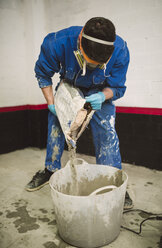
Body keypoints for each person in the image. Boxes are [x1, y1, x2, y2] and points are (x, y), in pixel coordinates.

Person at [25, 17, 133, 209]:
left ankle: (113, 183)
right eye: (89, 63)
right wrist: (52, 104)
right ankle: (50, 170)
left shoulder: (121, 50)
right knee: (56, 126)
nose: (92, 68)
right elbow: (43, 74)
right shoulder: (57, 42)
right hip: (69, 87)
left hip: (100, 92)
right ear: (80, 41)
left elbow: (117, 87)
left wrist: (103, 96)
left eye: (98, 65)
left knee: (107, 131)